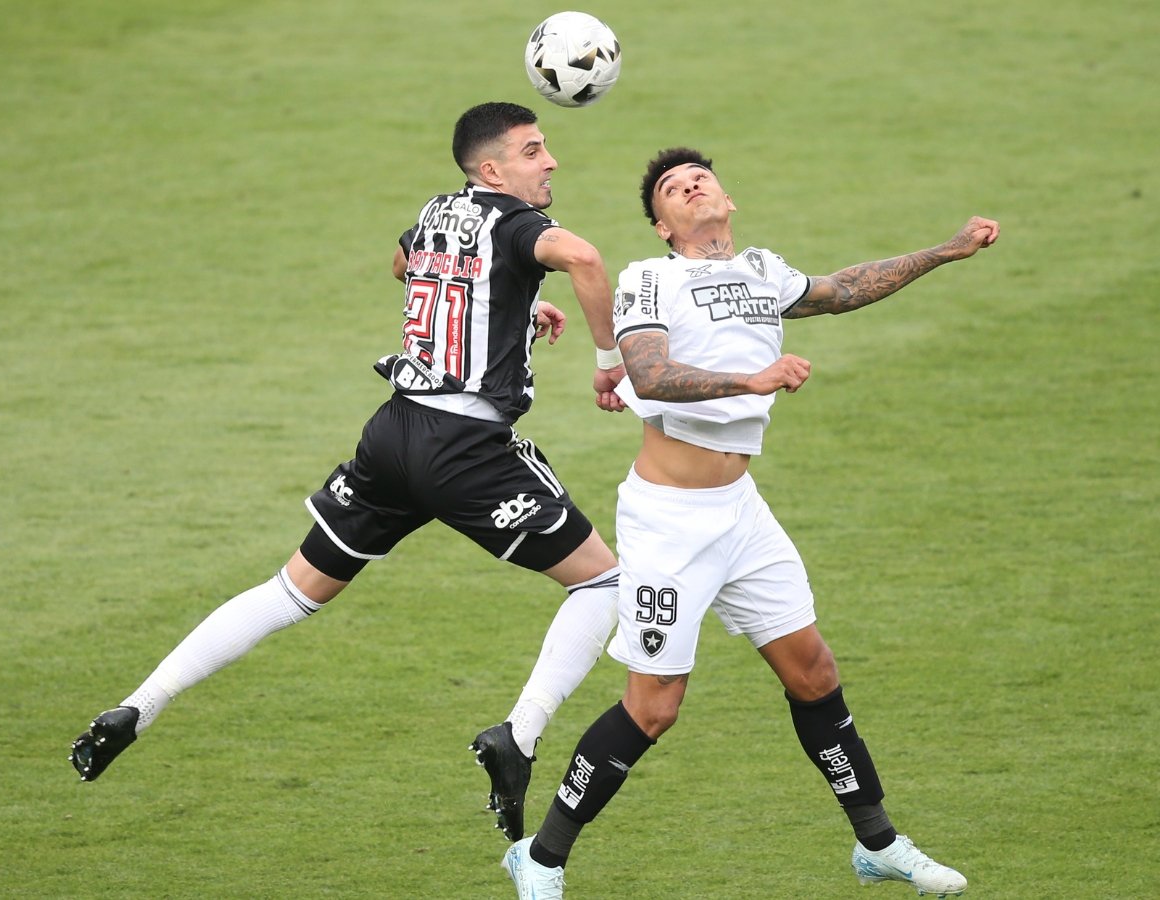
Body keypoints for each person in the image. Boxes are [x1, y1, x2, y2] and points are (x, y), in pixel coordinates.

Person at [70, 103, 628, 821]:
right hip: (464, 451)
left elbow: (406, 265)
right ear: (493, 170)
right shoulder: (518, 225)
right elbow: (582, 258)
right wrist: (608, 362)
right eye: (533, 150)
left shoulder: (437, 211)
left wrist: (511, 309)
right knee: (604, 583)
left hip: (391, 436)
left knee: (290, 591)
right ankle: (518, 736)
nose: (549, 161)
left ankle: (136, 708)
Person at [501, 147, 999, 899]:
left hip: (740, 512)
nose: (691, 185)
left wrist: (947, 251)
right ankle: (540, 857)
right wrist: (753, 378)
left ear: (725, 200)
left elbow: (839, 290)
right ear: (664, 226)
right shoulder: (651, 277)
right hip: (668, 521)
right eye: (672, 188)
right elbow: (648, 373)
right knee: (653, 708)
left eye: (699, 176)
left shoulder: (761, 270)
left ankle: (879, 844)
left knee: (814, 671)